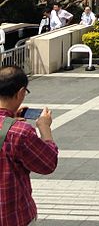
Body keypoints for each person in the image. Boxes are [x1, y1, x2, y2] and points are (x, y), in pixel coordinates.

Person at [0, 65, 59, 225]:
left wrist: (11, 117)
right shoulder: (19, 132)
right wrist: (44, 127)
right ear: (20, 92)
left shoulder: (14, 128)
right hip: (13, 217)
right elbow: (48, 164)